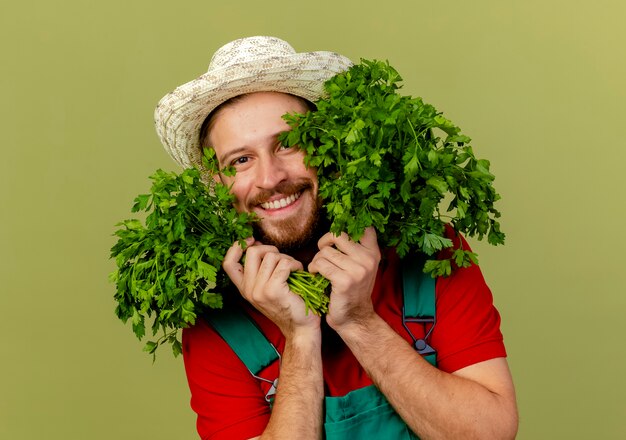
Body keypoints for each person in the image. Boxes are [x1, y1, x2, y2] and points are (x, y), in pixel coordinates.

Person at [154, 36, 518, 439]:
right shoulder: (216, 325)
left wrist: (359, 322)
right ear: (219, 185)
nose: (271, 178)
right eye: (240, 160)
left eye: (289, 143)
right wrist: (300, 336)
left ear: (333, 148)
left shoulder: (431, 253)